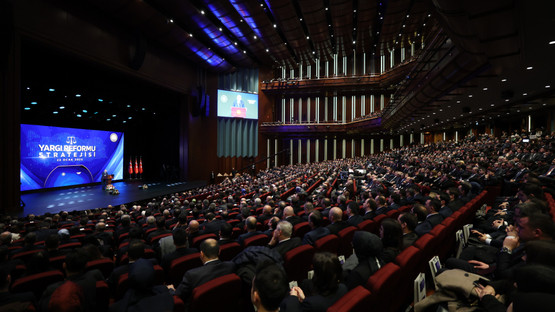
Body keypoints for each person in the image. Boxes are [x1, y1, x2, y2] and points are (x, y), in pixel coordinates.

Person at [171, 238, 236, 303]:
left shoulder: (191, 275)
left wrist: (171, 290)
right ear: (219, 251)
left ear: (201, 254)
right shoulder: (231, 266)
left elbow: (178, 296)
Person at [281, 252, 348, 311]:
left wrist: (293, 297)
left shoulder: (311, 304)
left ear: (318, 275)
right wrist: (304, 299)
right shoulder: (343, 288)